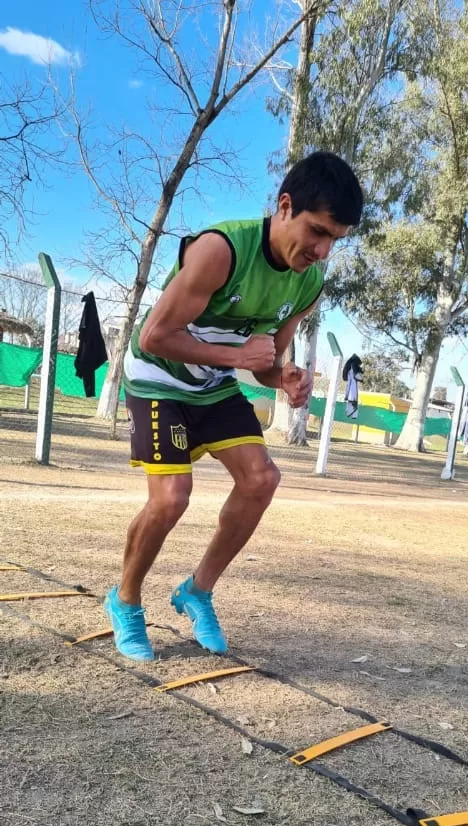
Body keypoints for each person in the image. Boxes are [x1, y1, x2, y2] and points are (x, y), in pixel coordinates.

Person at [104, 151, 364, 660]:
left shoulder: (307, 281)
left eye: (335, 238)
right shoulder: (219, 250)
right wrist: (237, 357)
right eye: (317, 231)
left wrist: (283, 377)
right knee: (171, 497)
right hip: (158, 379)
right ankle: (125, 600)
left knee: (262, 479)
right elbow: (155, 336)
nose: (322, 250)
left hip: (213, 382)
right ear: (284, 206)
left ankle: (197, 591)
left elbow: (265, 360)